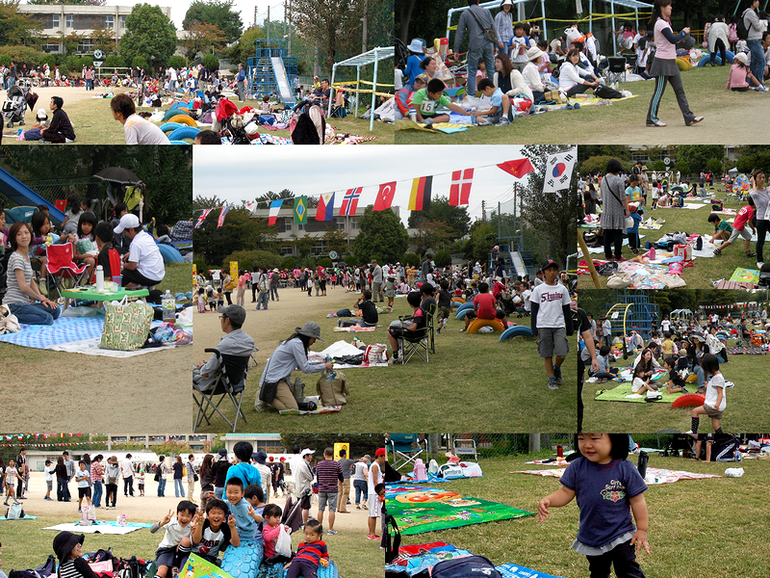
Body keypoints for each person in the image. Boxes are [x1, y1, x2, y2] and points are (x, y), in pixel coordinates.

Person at [537, 434, 650, 578]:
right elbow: (566, 492)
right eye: (581, 439)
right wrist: (549, 500)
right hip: (592, 534)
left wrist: (641, 529)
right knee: (598, 572)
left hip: (621, 533)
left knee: (627, 569)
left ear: (614, 440)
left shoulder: (624, 467)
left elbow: (637, 501)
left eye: (594, 438)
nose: (587, 445)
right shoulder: (577, 467)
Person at [646, 0, 703, 127]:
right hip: (662, 62)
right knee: (659, 91)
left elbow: (672, 41)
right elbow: (672, 39)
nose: (671, 8)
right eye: (669, 6)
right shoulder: (661, 23)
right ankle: (651, 119)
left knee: (680, 90)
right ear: (662, 8)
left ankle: (689, 117)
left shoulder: (665, 23)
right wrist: (683, 32)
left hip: (670, 61)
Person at [257, 322, 333, 412]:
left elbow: (301, 366)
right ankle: (265, 396)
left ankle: (269, 394)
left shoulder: (296, 342)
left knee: (301, 399)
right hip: (275, 382)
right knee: (292, 408)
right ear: (307, 337)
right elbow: (306, 369)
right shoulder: (296, 344)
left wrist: (320, 363)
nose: (314, 342)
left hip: (282, 380)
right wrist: (324, 366)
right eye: (314, 338)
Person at [4, 222, 61, 325]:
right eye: (19, 234)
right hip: (14, 304)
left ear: (31, 234)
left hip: (25, 303)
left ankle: (18, 314)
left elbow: (31, 281)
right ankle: (9, 315)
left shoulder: (26, 256)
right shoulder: (16, 257)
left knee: (55, 310)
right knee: (47, 319)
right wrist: (40, 298)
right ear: (14, 238)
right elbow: (23, 287)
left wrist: (42, 299)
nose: (24, 236)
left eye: (26, 232)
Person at [530, 260, 573, 390]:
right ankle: (551, 379)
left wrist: (570, 327)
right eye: (549, 270)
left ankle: (557, 368)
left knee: (562, 352)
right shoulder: (538, 290)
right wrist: (534, 329)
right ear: (543, 273)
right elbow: (534, 311)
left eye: (554, 270)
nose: (552, 273)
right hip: (543, 325)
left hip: (559, 324)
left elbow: (566, 309)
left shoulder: (562, 289)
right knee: (547, 354)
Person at [221, 477, 263, 578]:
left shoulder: (244, 506)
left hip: (248, 539)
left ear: (242, 494)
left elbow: (260, 519)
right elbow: (224, 502)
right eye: (230, 492)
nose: (233, 496)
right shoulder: (230, 503)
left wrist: (253, 515)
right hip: (237, 536)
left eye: (236, 492)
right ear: (225, 492)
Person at [454, 0, 498, 94]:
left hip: (475, 44)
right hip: (489, 42)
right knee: (491, 70)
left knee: (472, 71)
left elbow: (459, 33)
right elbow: (494, 28)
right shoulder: (486, 11)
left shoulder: (465, 14)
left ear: (467, 2)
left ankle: (471, 96)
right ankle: (494, 94)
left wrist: (456, 50)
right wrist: (496, 44)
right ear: (478, 1)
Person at [114, 213, 165, 287]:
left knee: (123, 276)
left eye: (125, 232)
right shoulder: (146, 236)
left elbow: (132, 266)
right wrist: (131, 253)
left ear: (131, 229)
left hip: (150, 276)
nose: (125, 235)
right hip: (158, 273)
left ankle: (141, 287)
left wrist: (122, 265)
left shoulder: (135, 243)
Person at [149, 500, 198, 578]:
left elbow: (194, 543)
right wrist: (162, 523)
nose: (184, 518)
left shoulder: (192, 526)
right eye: (182, 515)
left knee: (186, 541)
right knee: (162, 571)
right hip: (166, 550)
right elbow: (152, 530)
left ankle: (175, 566)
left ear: (192, 517)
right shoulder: (171, 522)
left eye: (188, 516)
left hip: (182, 552)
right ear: (177, 514)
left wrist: (194, 531)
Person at [191, 498, 239, 565]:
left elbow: (236, 543)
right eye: (213, 513)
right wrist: (200, 525)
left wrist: (232, 527)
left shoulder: (225, 528)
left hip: (210, 557)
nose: (216, 516)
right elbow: (196, 541)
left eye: (220, 513)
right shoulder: (204, 523)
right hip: (194, 554)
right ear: (208, 515)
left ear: (225, 516)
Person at [600, 159, 631, 261]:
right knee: (618, 234)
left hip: (606, 210)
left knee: (607, 234)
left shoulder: (603, 179)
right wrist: (627, 209)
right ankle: (618, 255)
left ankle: (608, 254)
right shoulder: (619, 180)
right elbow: (623, 197)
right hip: (617, 211)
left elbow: (602, 196)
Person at [387, 292, 426, 363]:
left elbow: (413, 328)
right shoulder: (420, 310)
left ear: (410, 304)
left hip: (415, 334)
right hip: (420, 332)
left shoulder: (418, 312)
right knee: (393, 329)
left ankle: (396, 355)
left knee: (391, 331)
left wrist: (405, 329)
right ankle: (399, 351)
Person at [749, 169, 769, 269]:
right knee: (761, 240)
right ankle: (759, 260)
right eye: (759, 178)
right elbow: (754, 195)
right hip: (761, 219)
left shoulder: (768, 190)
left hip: (769, 217)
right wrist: (753, 183)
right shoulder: (753, 191)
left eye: (763, 177)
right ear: (755, 180)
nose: (762, 179)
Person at [744, 0, 767, 87]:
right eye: (756, 1)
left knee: (754, 63)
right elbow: (758, 27)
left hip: (753, 39)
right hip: (754, 39)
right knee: (761, 61)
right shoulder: (750, 12)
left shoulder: (748, 12)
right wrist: (762, 24)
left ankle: (753, 82)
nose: (758, 2)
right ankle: (759, 84)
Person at [292, 449, 315, 525]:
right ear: (306, 456)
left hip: (299, 487)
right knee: (306, 507)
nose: (311, 457)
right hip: (304, 489)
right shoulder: (304, 465)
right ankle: (304, 522)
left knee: (300, 506)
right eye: (310, 455)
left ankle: (298, 521)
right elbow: (311, 477)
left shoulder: (300, 464)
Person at [367, 449, 385, 540]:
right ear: (380, 456)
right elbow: (375, 481)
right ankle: (372, 533)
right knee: (373, 514)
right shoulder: (375, 466)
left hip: (371, 492)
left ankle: (371, 532)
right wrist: (379, 493)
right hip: (374, 492)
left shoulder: (375, 465)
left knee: (371, 513)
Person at [336, 449, 354, 514]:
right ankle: (342, 508)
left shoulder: (338, 462)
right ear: (344, 455)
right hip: (346, 478)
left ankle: (338, 507)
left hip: (339, 478)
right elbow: (354, 461)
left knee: (340, 493)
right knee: (345, 493)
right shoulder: (347, 461)